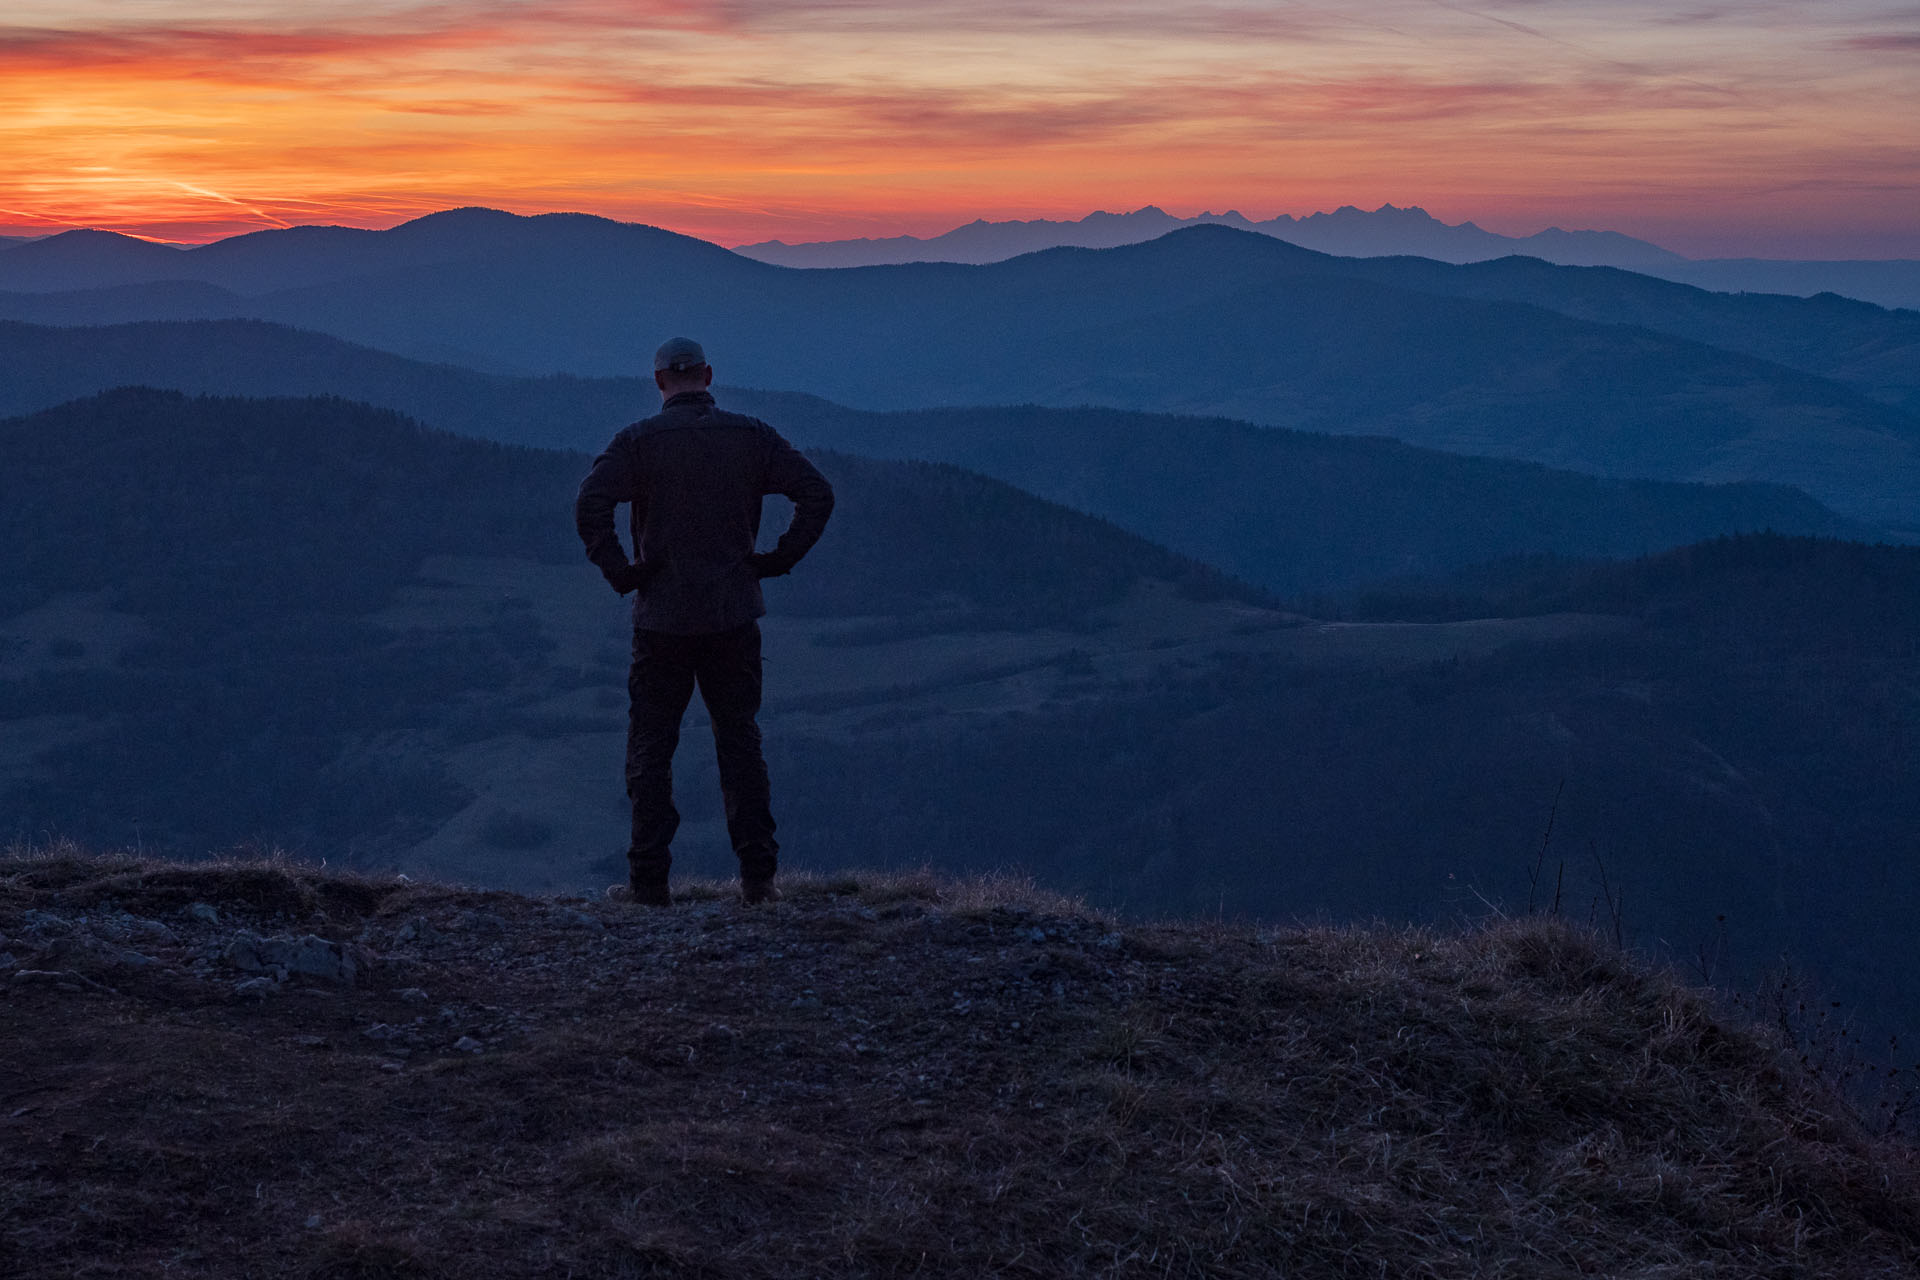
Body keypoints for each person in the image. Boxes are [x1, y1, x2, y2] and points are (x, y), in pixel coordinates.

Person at [574, 337, 834, 906]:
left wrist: (623, 571)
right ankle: (759, 882)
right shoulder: (752, 438)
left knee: (650, 747)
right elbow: (816, 493)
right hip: (733, 615)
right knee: (740, 743)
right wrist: (777, 560)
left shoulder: (638, 443)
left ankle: (647, 885)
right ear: (709, 376)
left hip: (662, 619)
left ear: (660, 381)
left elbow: (590, 503)